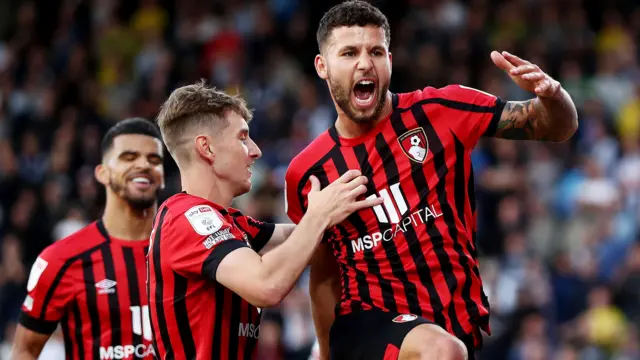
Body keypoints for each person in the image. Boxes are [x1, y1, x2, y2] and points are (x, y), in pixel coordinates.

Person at [284, 1, 579, 359]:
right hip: (367, 324)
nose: (365, 63)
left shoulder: (442, 111)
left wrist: (552, 95)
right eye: (349, 52)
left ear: (389, 60)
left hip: (456, 324)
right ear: (322, 66)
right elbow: (325, 276)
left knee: (446, 347)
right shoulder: (308, 171)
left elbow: (556, 126)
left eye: (375, 51)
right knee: (442, 349)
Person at [148, 81, 381, 359]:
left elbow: (309, 241)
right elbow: (266, 285)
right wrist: (318, 215)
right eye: (243, 138)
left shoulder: (232, 223)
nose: (255, 151)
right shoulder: (186, 218)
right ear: (206, 148)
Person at [11, 118, 166, 359]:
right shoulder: (61, 259)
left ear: (163, 176)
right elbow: (24, 350)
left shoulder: (185, 251)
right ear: (102, 173)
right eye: (129, 157)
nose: (144, 164)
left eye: (154, 159)